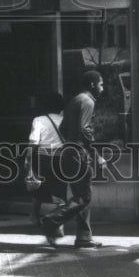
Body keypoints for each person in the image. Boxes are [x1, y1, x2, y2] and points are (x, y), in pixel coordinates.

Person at [40, 70, 104, 250]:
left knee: (80, 196)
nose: (103, 88)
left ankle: (84, 237)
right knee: (84, 197)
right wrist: (96, 155)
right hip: (80, 154)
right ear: (92, 84)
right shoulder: (88, 101)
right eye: (101, 84)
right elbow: (85, 130)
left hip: (70, 152)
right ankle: (51, 220)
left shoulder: (76, 100)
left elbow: (63, 127)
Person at [24, 92, 66, 226]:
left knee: (38, 188)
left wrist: (28, 160)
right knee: (60, 191)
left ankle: (35, 216)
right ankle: (57, 222)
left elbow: (33, 142)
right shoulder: (64, 120)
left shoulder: (39, 120)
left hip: (42, 158)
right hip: (60, 158)